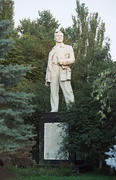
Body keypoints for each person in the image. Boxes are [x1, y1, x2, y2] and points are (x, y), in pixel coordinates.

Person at [45, 30, 75, 112]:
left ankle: (71, 109)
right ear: (54, 38)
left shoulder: (68, 47)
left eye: (61, 36)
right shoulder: (52, 50)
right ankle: (54, 109)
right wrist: (47, 76)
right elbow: (49, 65)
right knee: (53, 91)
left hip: (63, 69)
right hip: (53, 70)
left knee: (67, 90)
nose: (59, 37)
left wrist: (62, 61)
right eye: (58, 36)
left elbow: (72, 59)